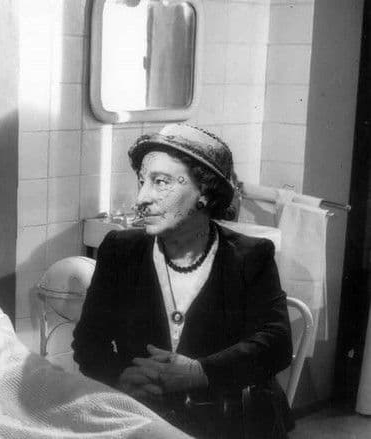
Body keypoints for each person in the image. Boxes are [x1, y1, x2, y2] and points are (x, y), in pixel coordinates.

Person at [72, 124, 293, 438]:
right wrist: (121, 377)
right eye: (142, 181)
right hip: (147, 421)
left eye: (161, 182)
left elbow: (277, 344)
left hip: (233, 423)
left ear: (204, 192)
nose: (142, 198)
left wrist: (198, 373)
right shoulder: (120, 251)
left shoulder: (250, 256)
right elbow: (88, 342)